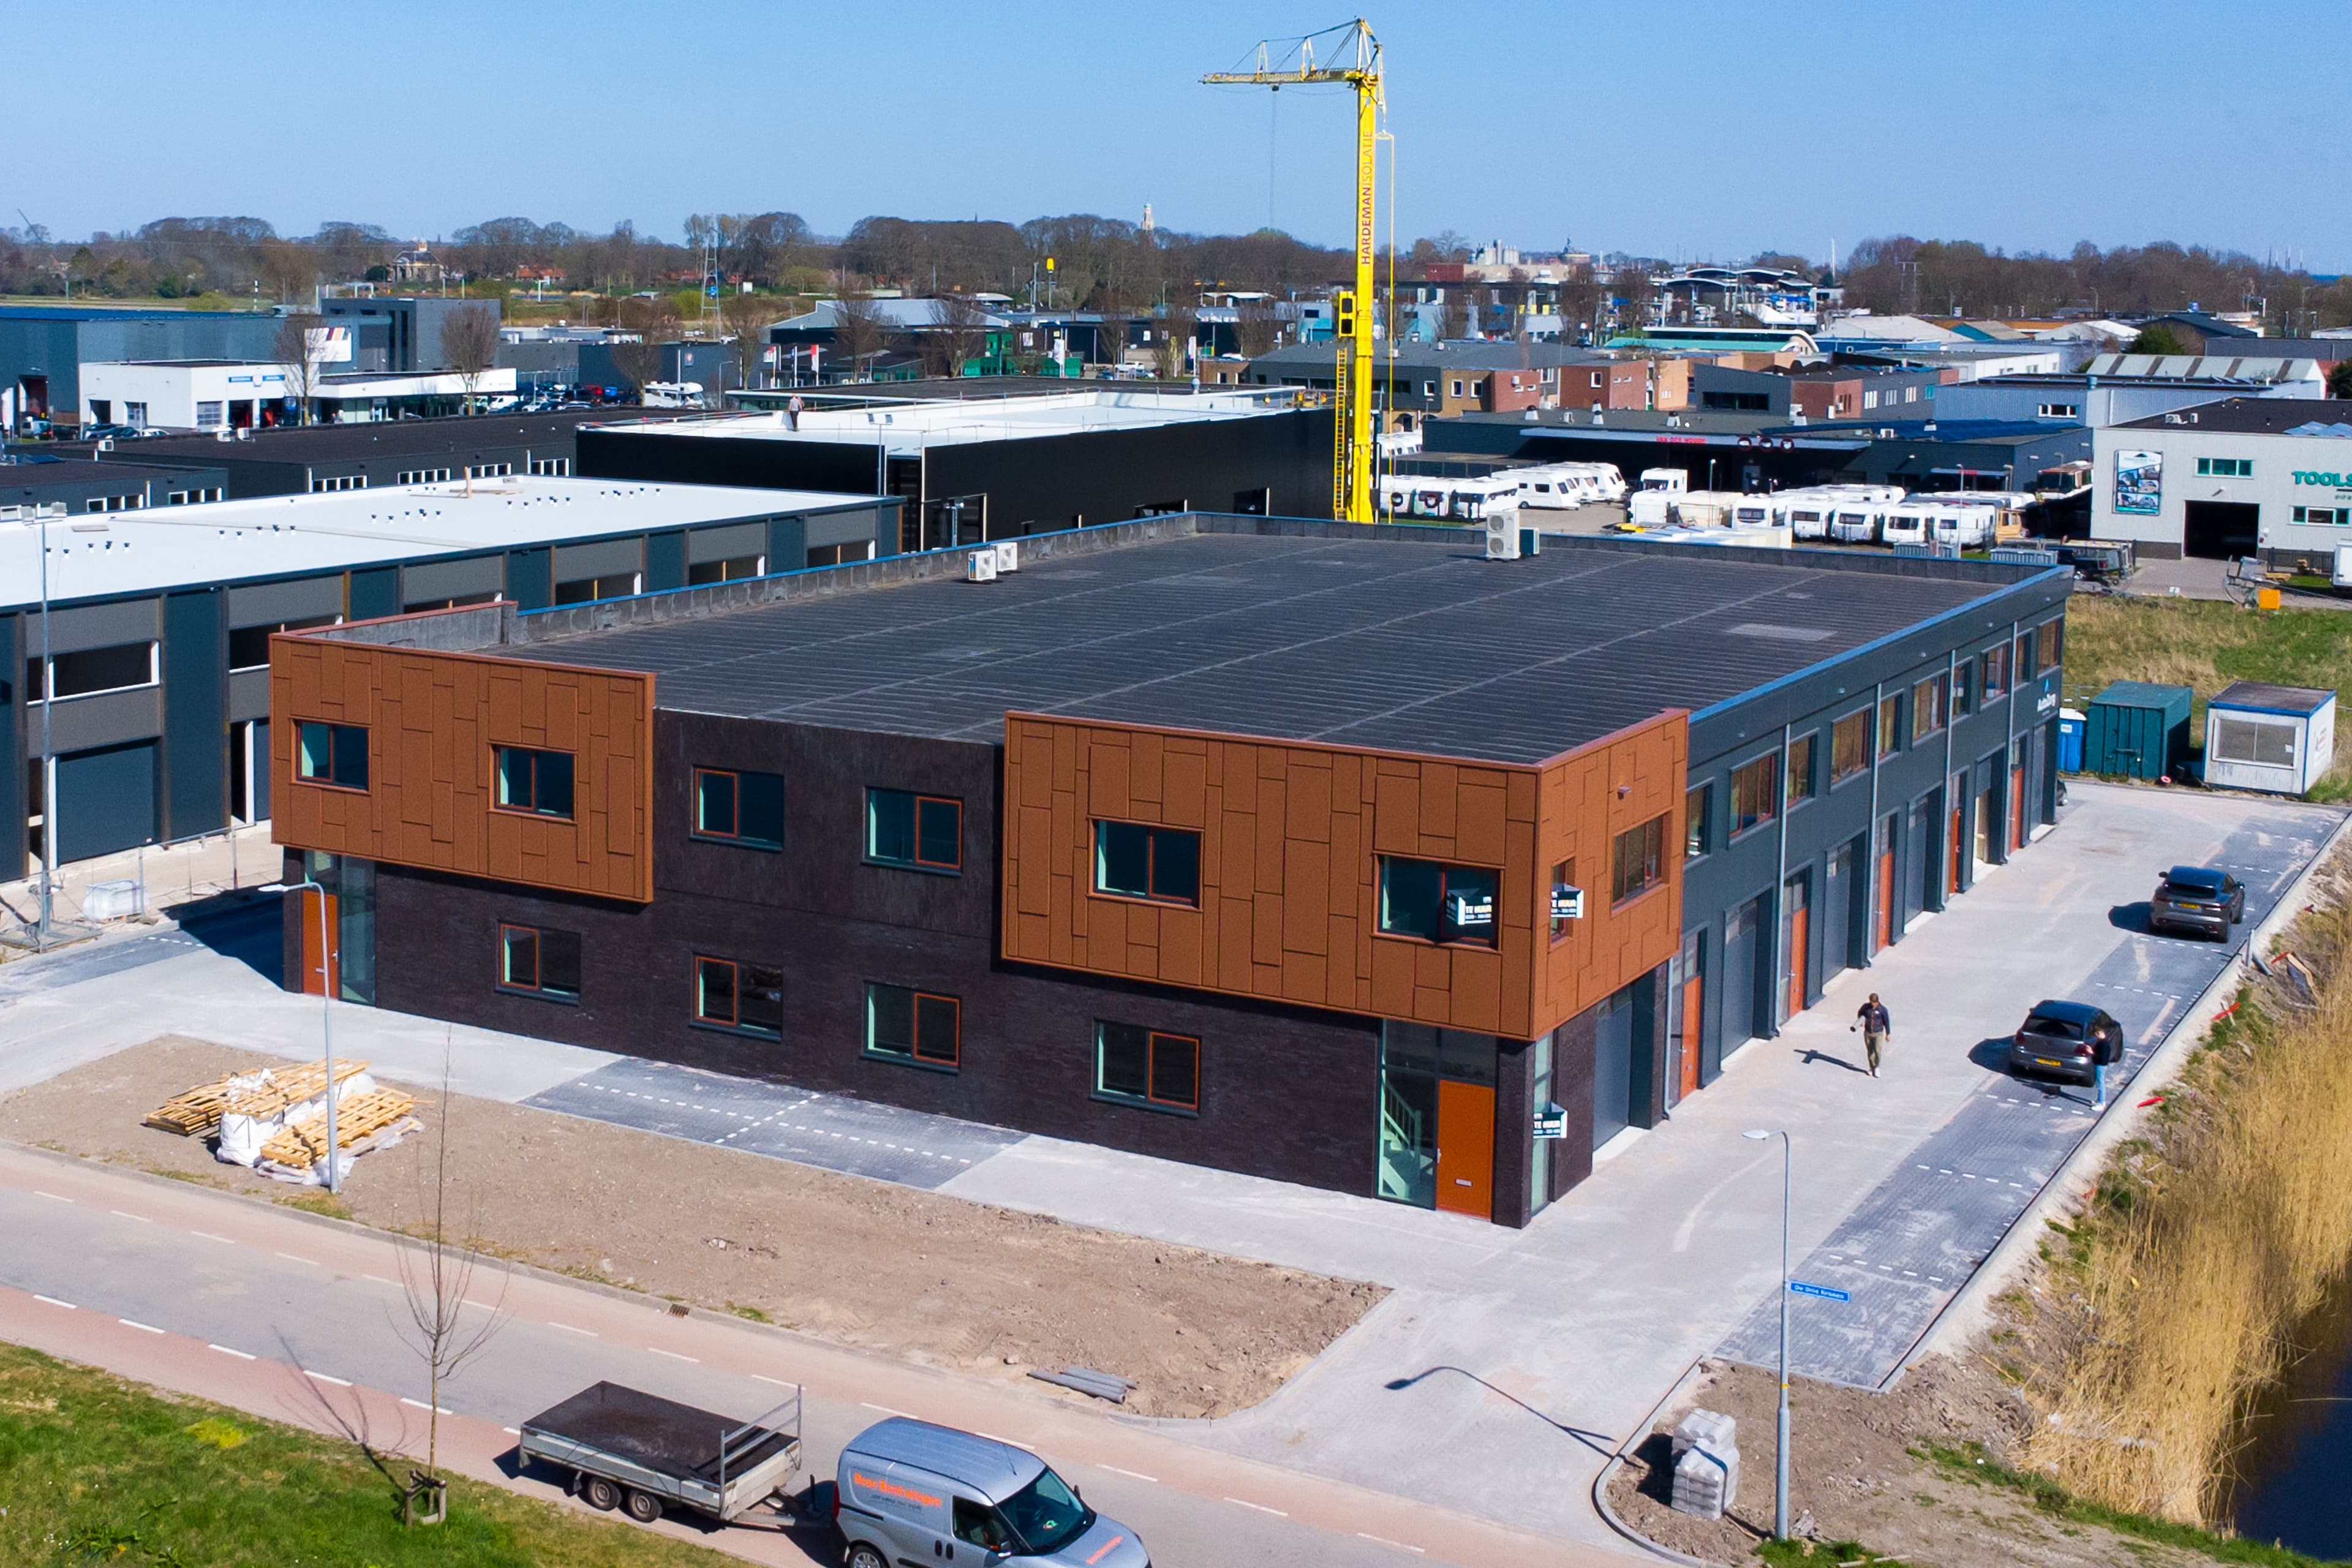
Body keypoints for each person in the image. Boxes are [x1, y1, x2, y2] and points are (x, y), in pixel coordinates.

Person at [1853, 993, 1891, 1077]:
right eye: (1871, 1002)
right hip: (1868, 1032)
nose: (1872, 1004)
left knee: (1877, 1051)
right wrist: (1861, 1021)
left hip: (1878, 1033)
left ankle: (1877, 1067)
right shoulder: (1866, 1007)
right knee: (1870, 1051)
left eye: (1873, 1003)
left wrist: (1888, 1034)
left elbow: (1887, 1021)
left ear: (1877, 1002)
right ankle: (1871, 1067)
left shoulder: (1882, 1009)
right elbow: (1860, 1013)